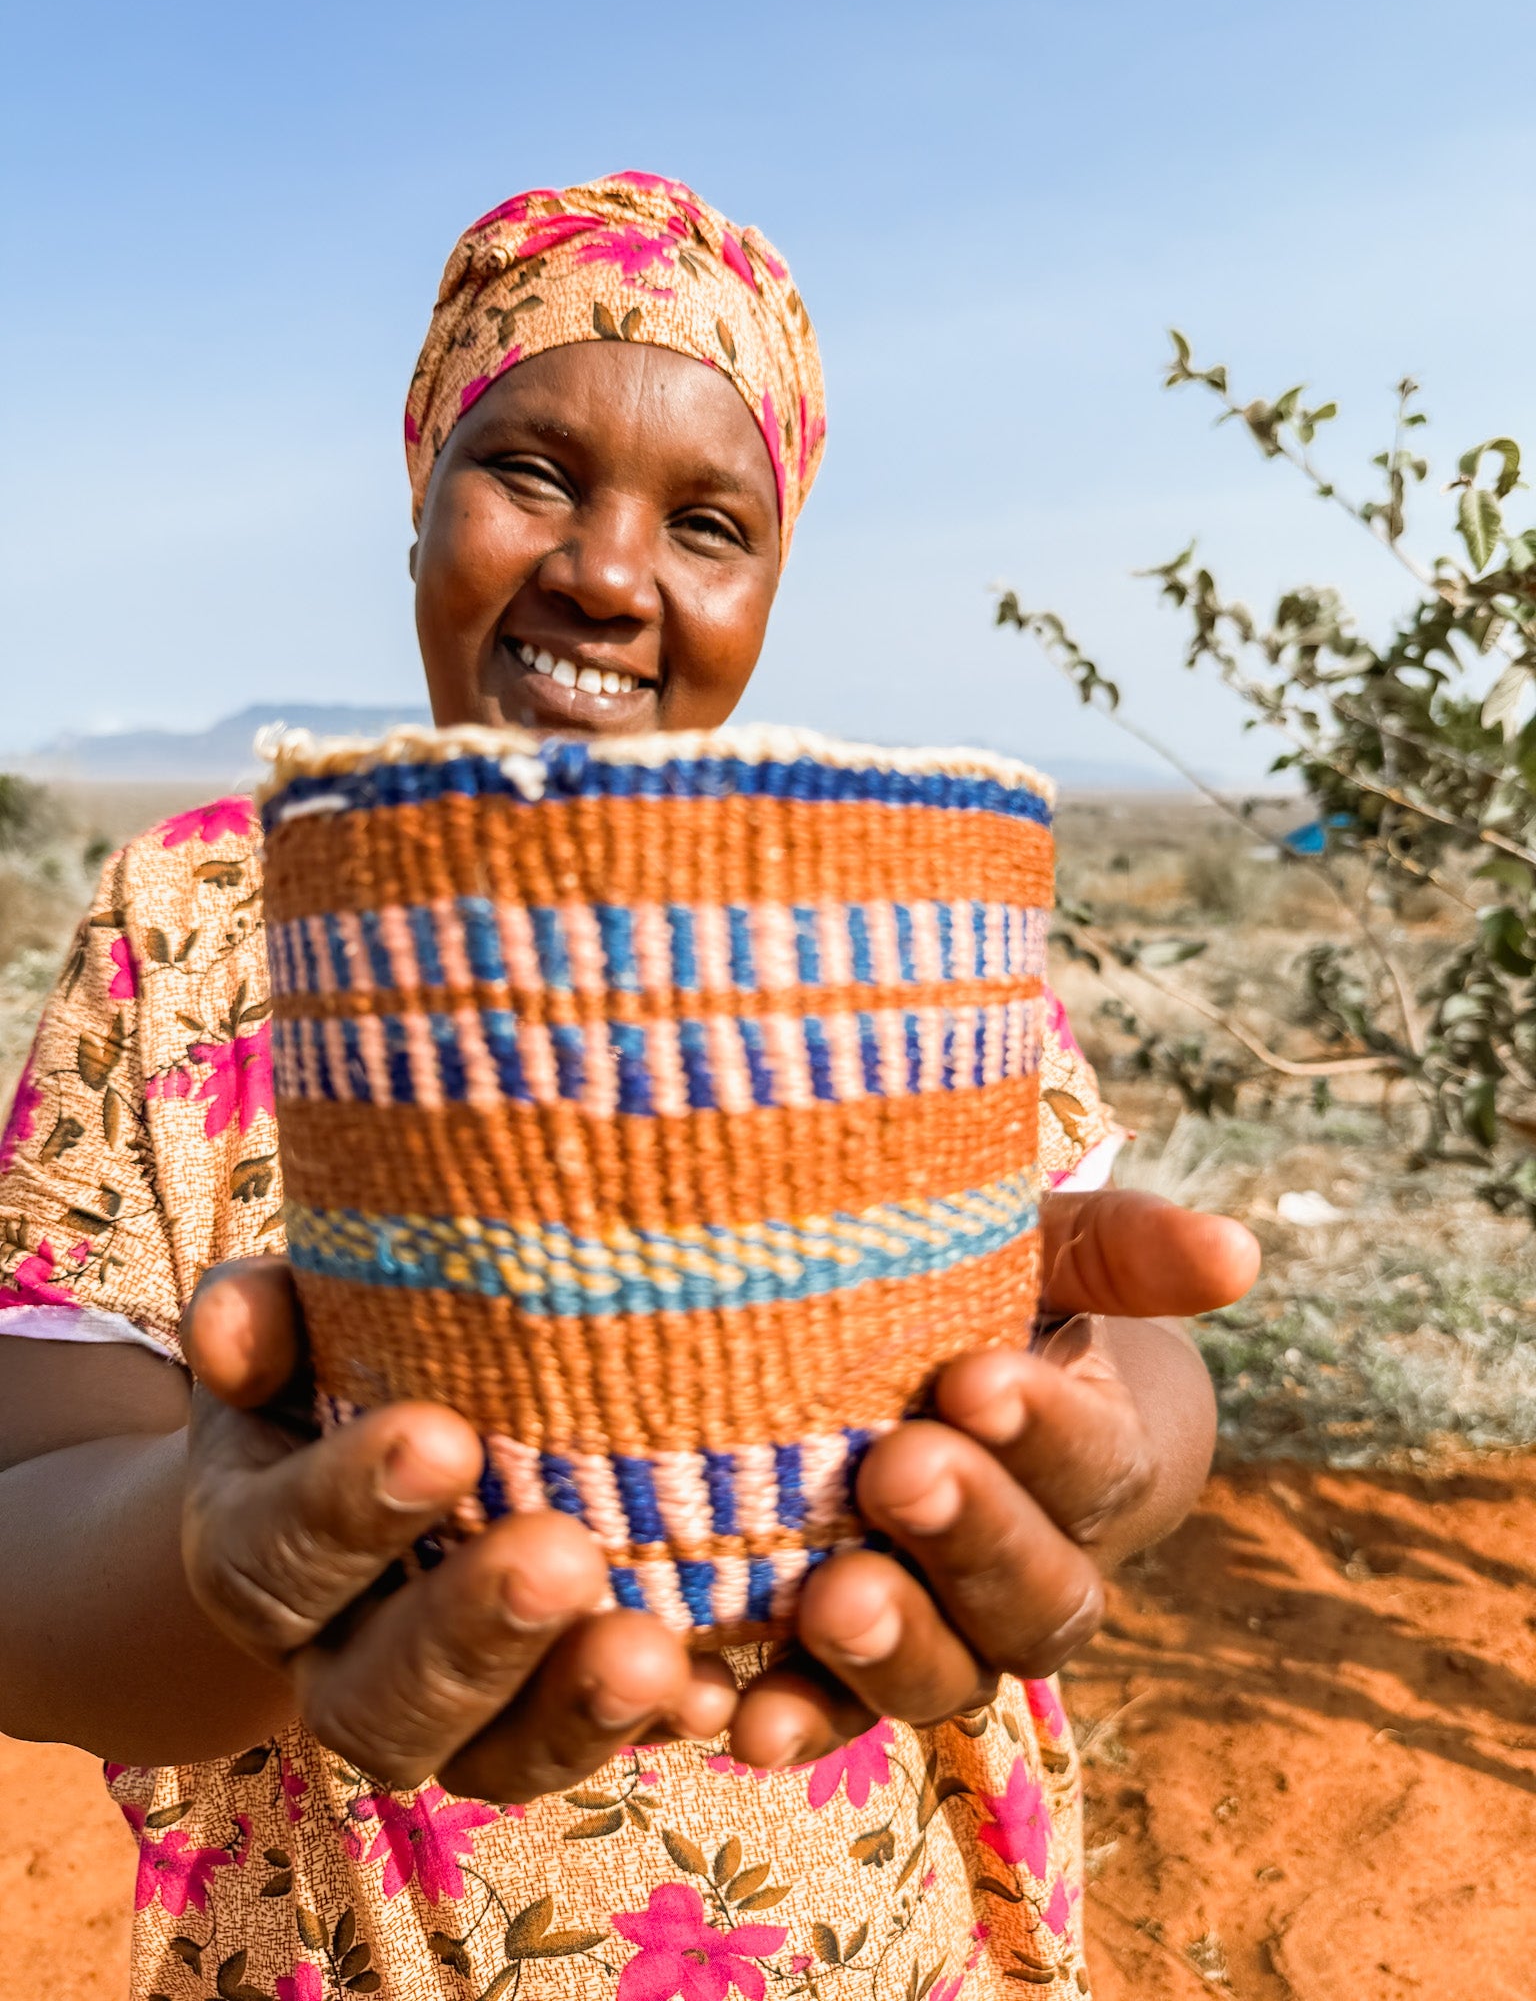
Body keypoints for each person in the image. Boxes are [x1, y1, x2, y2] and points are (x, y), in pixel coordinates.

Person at [0, 173, 1257, 2000]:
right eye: (531, 470)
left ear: (767, 585)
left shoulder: (883, 899)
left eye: (708, 520)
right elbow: (26, 1517)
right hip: (353, 1944)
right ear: (421, 497)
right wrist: (235, 1582)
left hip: (867, 1939)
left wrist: (1118, 1444)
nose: (607, 570)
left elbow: (1101, 1339)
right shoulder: (206, 914)